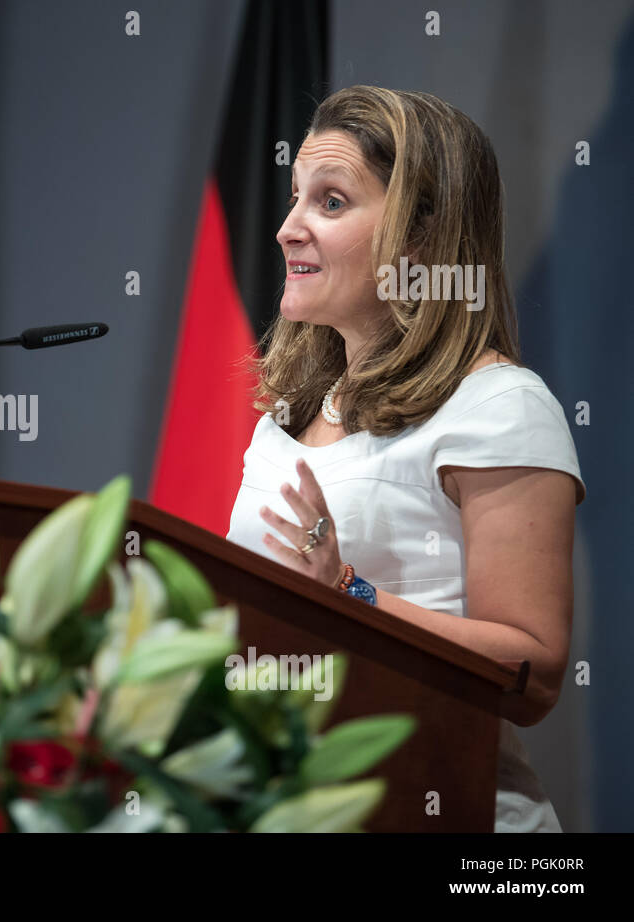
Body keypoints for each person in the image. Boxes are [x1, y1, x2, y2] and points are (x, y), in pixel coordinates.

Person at [224, 86, 584, 833]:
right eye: (296, 199)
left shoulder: (499, 407)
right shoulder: (286, 419)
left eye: (330, 202)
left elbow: (533, 674)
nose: (289, 229)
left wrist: (351, 595)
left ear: (421, 235)